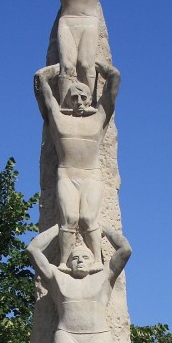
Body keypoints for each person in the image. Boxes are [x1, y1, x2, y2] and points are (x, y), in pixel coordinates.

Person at [34, 61, 120, 269]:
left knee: (89, 218)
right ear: (67, 100)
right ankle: (64, 262)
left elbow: (114, 83)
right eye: (74, 97)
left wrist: (103, 69)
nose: (79, 102)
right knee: (70, 218)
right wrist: (56, 70)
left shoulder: (98, 118)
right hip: (67, 175)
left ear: (89, 99)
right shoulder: (58, 118)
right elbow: (41, 85)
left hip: (91, 175)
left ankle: (97, 261)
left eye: (83, 97)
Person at [27, 223, 131, 343]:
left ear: (93, 261)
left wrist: (103, 229)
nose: (80, 260)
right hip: (68, 336)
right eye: (75, 258)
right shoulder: (58, 278)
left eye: (85, 257)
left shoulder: (104, 275)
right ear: (68, 263)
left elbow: (125, 250)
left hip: (99, 335)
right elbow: (33, 250)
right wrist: (60, 228)